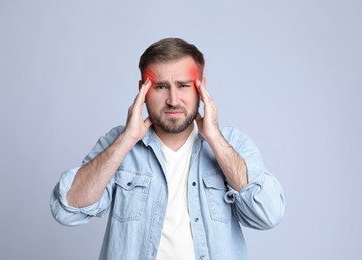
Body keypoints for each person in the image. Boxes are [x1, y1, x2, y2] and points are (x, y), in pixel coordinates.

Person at [50, 37, 285, 260]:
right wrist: (127, 139)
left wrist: (213, 136)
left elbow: (268, 214)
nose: (173, 99)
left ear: (201, 89)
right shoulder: (117, 143)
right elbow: (66, 210)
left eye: (183, 85)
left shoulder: (231, 142)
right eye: (161, 87)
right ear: (142, 90)